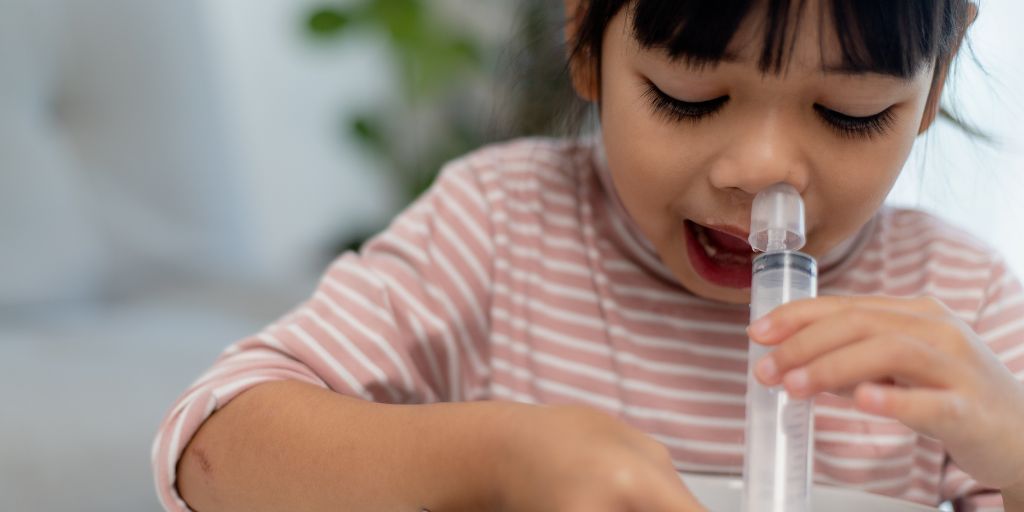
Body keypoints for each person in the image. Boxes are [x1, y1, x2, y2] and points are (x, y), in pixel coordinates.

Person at [153, 1, 1024, 510]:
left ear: (934, 86)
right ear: (585, 41)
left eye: (850, 114)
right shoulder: (500, 226)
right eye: (689, 96)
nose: (763, 173)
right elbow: (209, 447)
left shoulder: (961, 307)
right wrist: (497, 458)